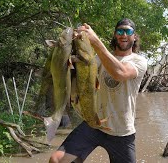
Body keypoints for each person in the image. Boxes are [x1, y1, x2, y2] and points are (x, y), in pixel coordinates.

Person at [49, 18, 148, 163]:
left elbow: (120, 74)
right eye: (120, 31)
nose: (123, 35)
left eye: (128, 31)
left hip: (122, 131)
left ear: (134, 36)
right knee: (56, 160)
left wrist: (95, 41)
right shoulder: (99, 58)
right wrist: (73, 42)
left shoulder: (139, 61)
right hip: (93, 124)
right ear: (115, 35)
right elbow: (80, 64)